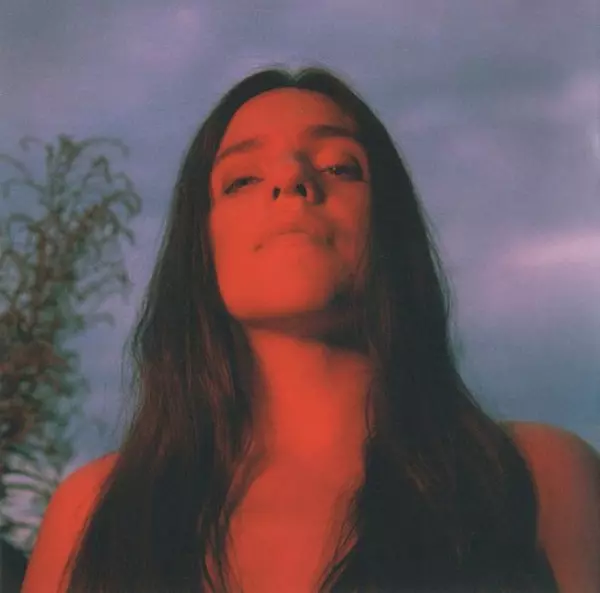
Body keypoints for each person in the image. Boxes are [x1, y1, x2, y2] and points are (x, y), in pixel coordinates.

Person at [21, 64, 599, 593]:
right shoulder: (91, 515)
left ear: (391, 227)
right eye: (242, 179)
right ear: (200, 247)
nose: (292, 178)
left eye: (339, 166)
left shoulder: (540, 480)